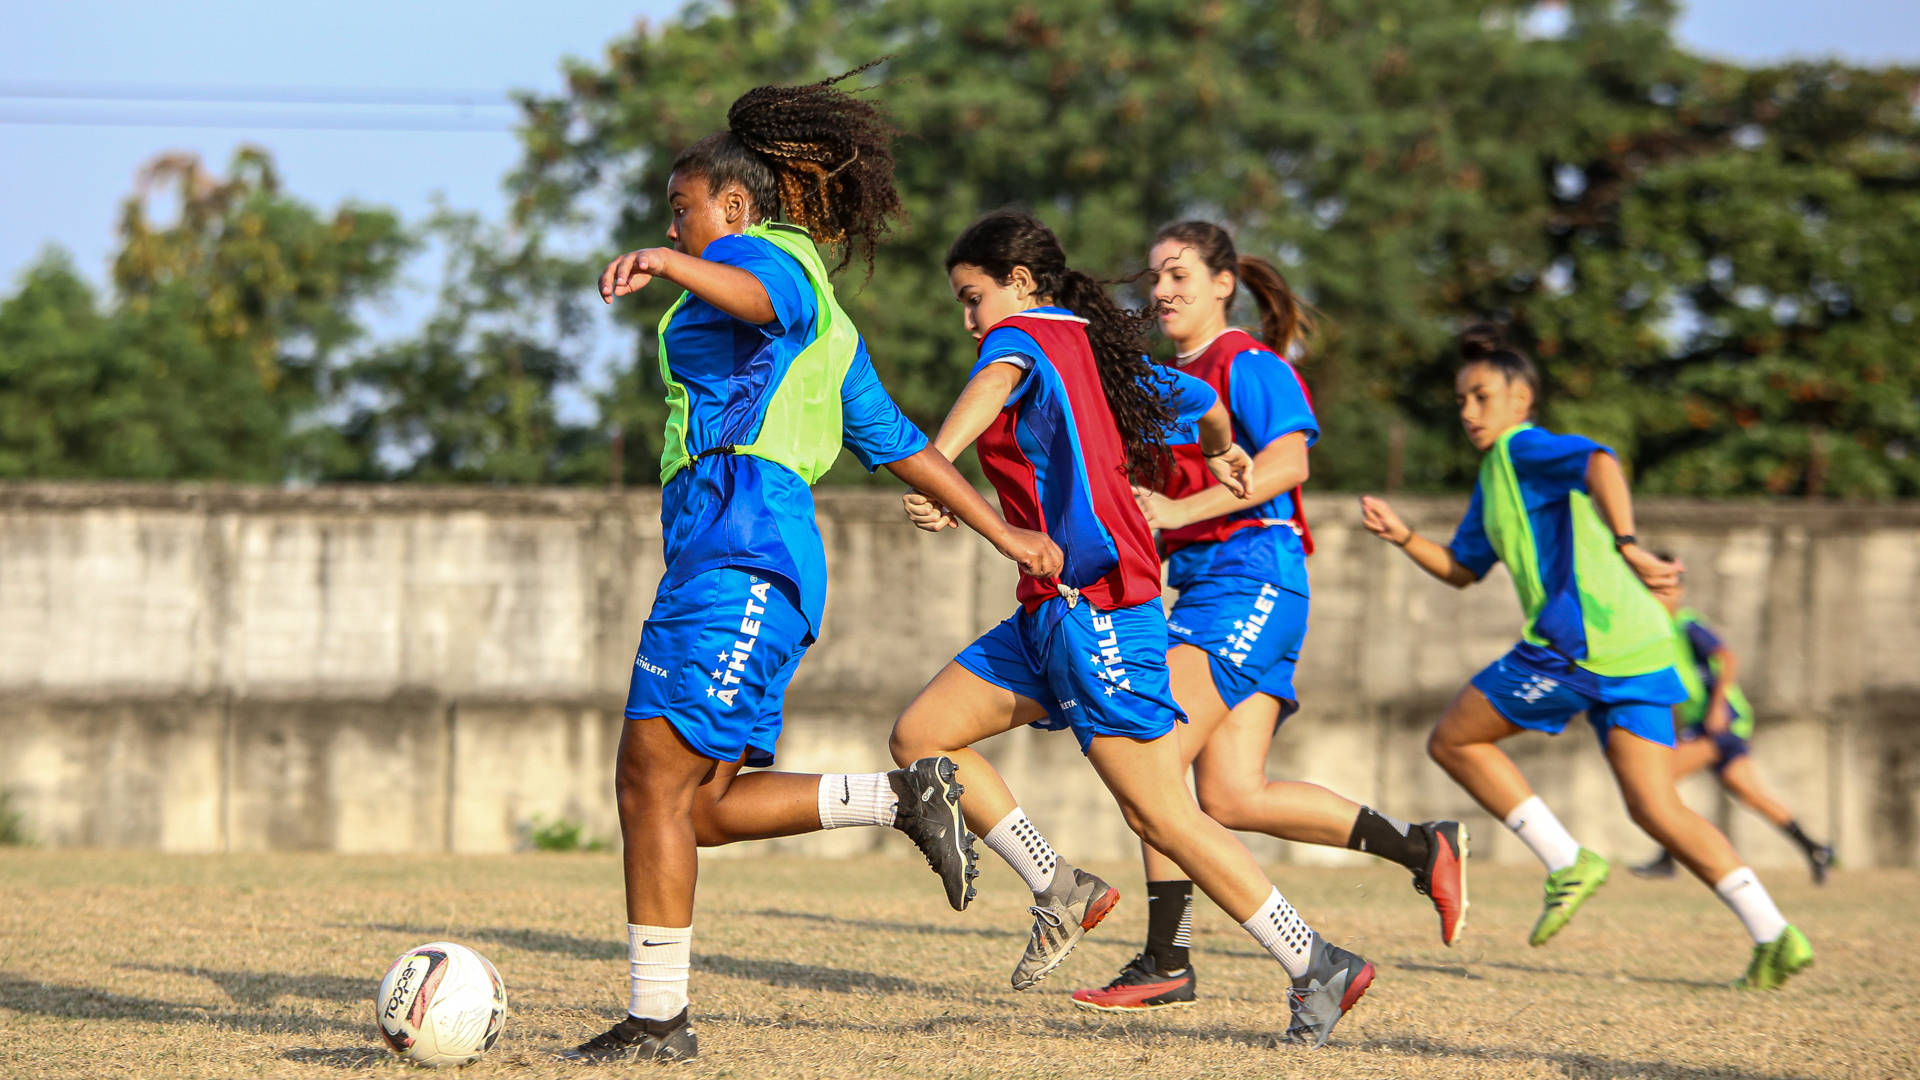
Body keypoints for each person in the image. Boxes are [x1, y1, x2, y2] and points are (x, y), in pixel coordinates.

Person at [562, 70, 1066, 1065]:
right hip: (745, 545)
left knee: (647, 779)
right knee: (695, 803)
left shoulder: (770, 258)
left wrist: (671, 261)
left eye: (684, 208)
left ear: (738, 204)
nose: (678, 222)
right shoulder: (830, 332)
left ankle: (659, 1024)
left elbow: (761, 293)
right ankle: (901, 798)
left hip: (741, 542)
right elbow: (900, 440)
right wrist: (1002, 534)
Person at [891, 209, 1374, 1047]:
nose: (969, 319)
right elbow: (1201, 401)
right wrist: (1224, 449)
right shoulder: (1097, 353)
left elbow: (994, 378)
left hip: (1103, 613)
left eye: (974, 299)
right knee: (923, 735)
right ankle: (1060, 888)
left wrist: (936, 467)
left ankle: (1315, 962)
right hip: (1049, 609)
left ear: (1022, 283)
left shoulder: (1029, 335)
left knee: (1163, 814)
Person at [1069, 223, 1468, 1015]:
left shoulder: (1246, 364)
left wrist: (1181, 507)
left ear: (1225, 284)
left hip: (1252, 583)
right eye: (1153, 278)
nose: (1162, 292)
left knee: (1150, 758)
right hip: (1214, 590)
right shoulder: (1162, 381)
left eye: (1179, 274)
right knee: (1232, 798)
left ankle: (1165, 959)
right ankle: (1423, 845)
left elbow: (1290, 463)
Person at [1356, 324, 1813, 990]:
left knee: (1454, 741)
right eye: (1461, 401)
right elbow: (1462, 568)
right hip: (1638, 650)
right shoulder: (1494, 476)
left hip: (1581, 648)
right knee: (1657, 808)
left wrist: (1628, 544)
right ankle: (1777, 934)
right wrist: (1402, 536)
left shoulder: (1523, 448)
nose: (1468, 413)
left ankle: (1566, 859)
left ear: (1520, 398)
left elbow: (1601, 460)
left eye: (1481, 396)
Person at [1632, 564, 1836, 884]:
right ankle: (1815, 848)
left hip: (1720, 723)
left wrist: (1717, 708)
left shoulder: (1687, 626)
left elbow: (1727, 658)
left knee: (1659, 778)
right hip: (1707, 724)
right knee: (1751, 794)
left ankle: (1667, 857)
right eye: (1650, 590)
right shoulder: (1659, 632)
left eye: (1662, 590)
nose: (1655, 597)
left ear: (1678, 592)